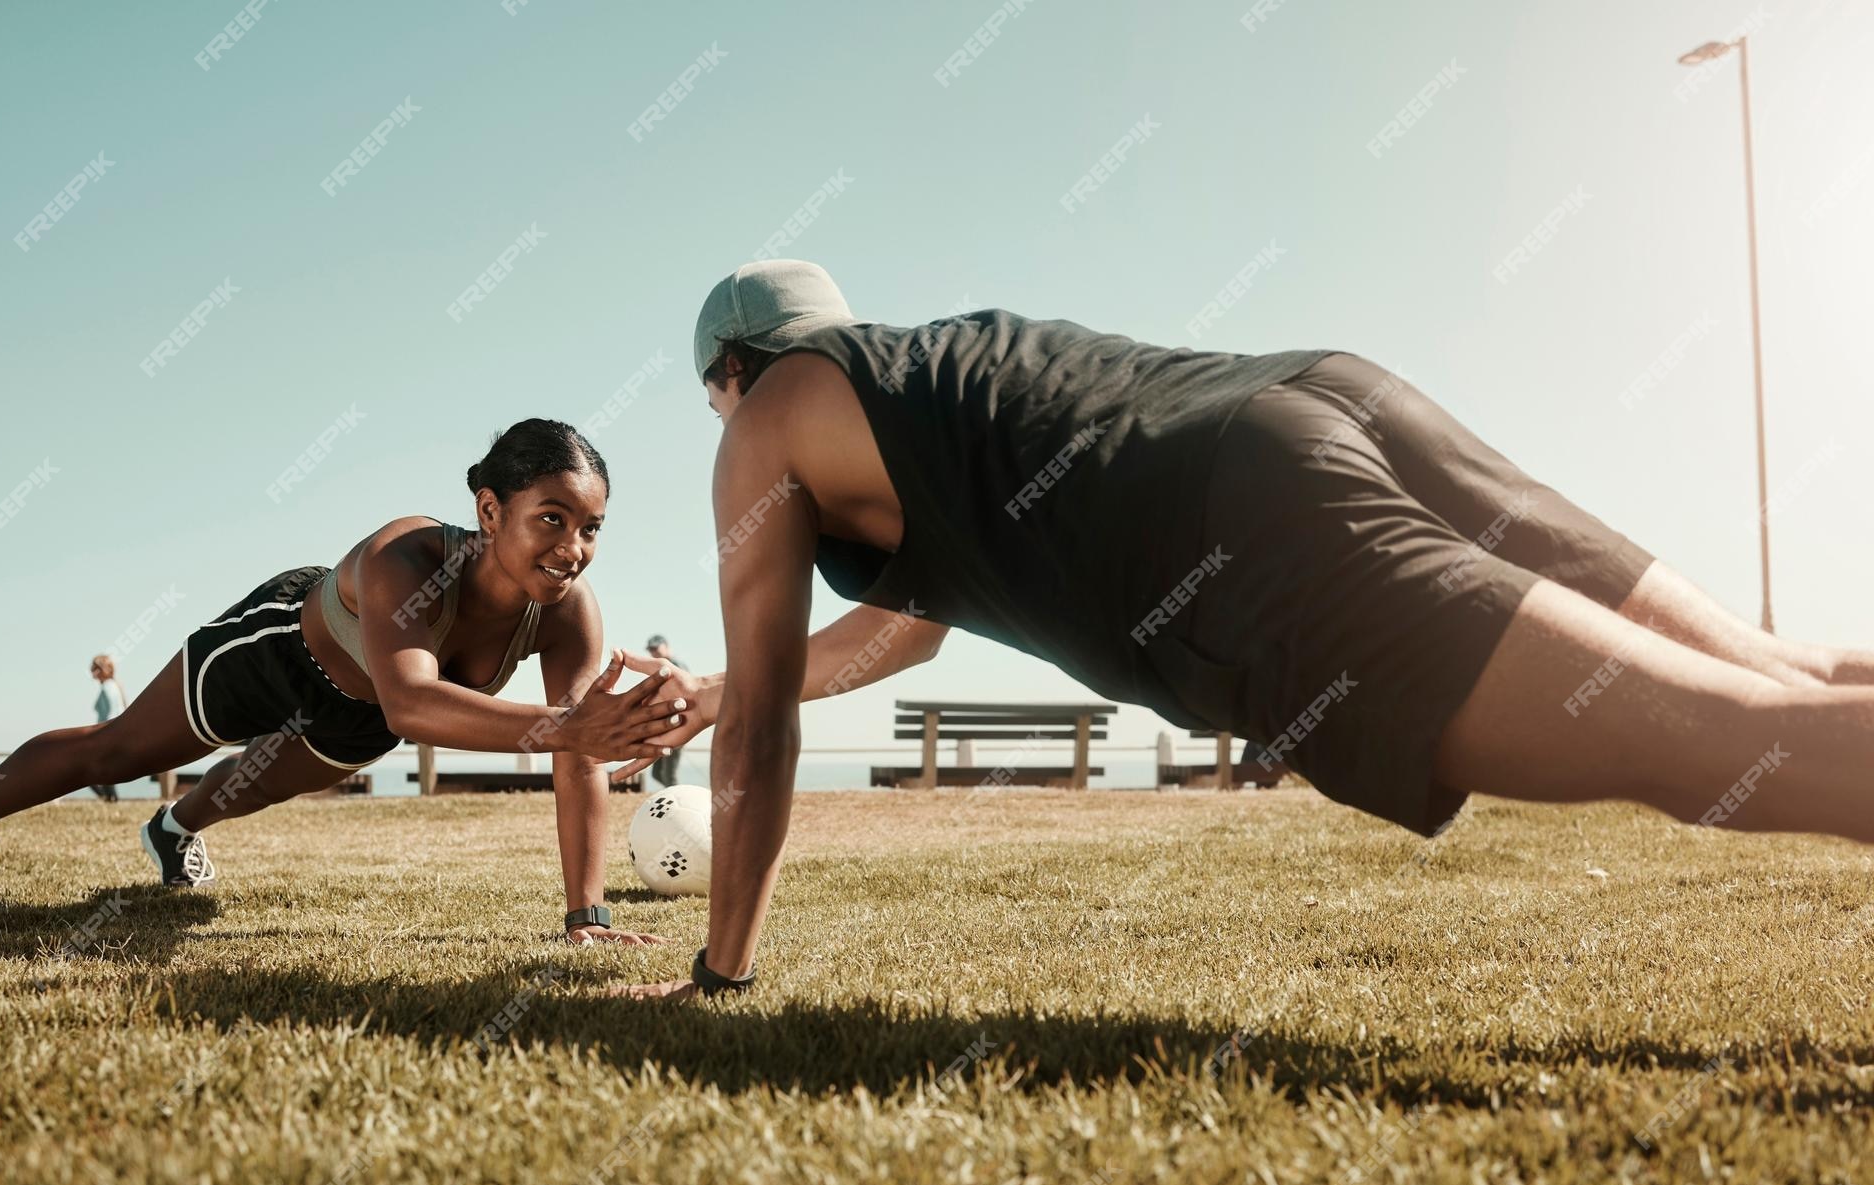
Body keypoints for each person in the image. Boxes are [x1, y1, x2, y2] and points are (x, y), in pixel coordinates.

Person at [616, 257, 1874, 998]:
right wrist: (726, 686)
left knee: (1725, 742)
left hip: (1239, 520)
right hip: (1320, 393)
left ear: (728, 373)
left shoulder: (764, 420)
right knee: (1776, 669)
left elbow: (772, 726)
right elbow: (905, 631)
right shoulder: (921, 390)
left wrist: (721, 972)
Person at [0, 421, 688, 948]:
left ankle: (172, 832)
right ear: (490, 509)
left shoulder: (567, 613)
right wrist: (567, 726)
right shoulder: (407, 558)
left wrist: (587, 915)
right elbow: (417, 700)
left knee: (254, 788)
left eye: (591, 528)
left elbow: (577, 749)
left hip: (361, 714)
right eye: (551, 518)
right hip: (279, 650)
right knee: (117, 752)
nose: (574, 548)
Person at [643, 635, 690, 787]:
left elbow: (687, 695)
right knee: (657, 773)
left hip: (677, 725)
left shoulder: (676, 666)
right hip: (664, 727)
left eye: (655, 648)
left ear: (666, 646)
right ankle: (675, 796)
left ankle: (682, 800)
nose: (652, 652)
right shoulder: (660, 668)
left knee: (669, 776)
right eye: (650, 649)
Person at [87, 655, 127, 802]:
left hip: (106, 732)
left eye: (96, 668)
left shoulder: (108, 686)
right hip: (111, 732)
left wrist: (104, 734)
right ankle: (110, 798)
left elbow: (111, 712)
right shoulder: (113, 685)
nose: (92, 671)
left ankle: (108, 797)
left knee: (89, 766)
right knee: (104, 767)